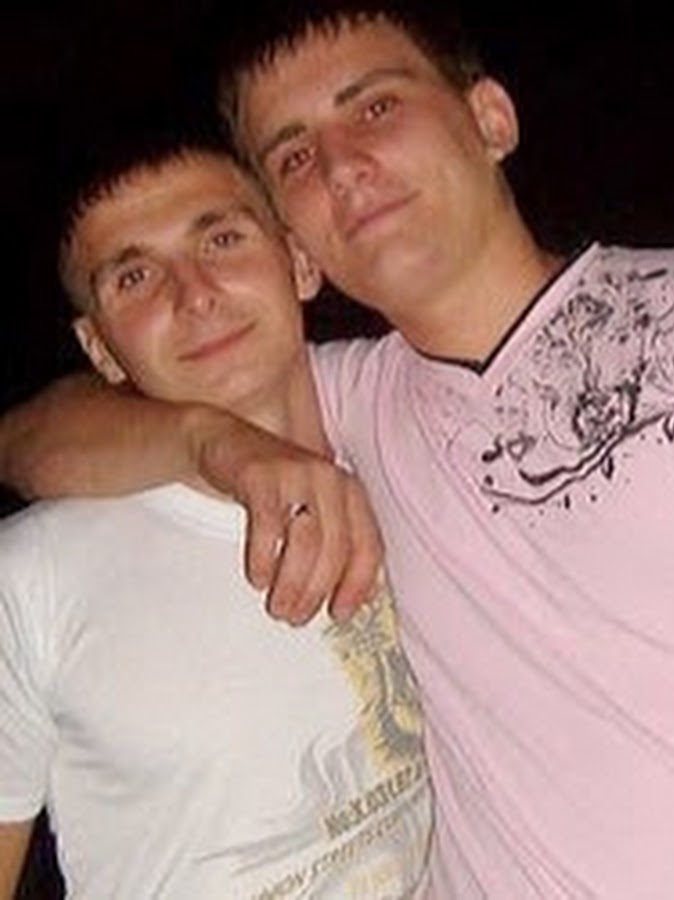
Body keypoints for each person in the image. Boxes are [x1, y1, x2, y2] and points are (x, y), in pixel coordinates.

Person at [2, 1, 674, 896]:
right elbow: (29, 439)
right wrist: (215, 445)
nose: (343, 165)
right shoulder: (352, 406)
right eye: (295, 156)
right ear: (297, 241)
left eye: (375, 107)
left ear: (490, 118)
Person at [0, 130, 432, 898]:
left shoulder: (410, 446)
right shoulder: (32, 576)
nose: (193, 293)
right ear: (99, 348)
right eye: (135, 276)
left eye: (222, 239)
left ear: (299, 260)